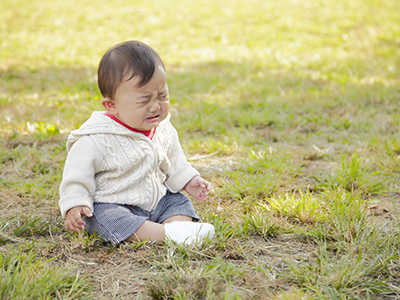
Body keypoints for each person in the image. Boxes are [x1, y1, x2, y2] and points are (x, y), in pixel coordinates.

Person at [59, 40, 214, 246]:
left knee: (177, 200)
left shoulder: (163, 128)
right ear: (111, 105)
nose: (155, 106)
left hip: (156, 201)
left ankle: (175, 229)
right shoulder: (95, 138)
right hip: (114, 204)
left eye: (162, 95)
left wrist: (188, 180)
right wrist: (75, 204)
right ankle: (171, 235)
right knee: (102, 219)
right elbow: (76, 176)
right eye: (144, 101)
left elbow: (175, 160)